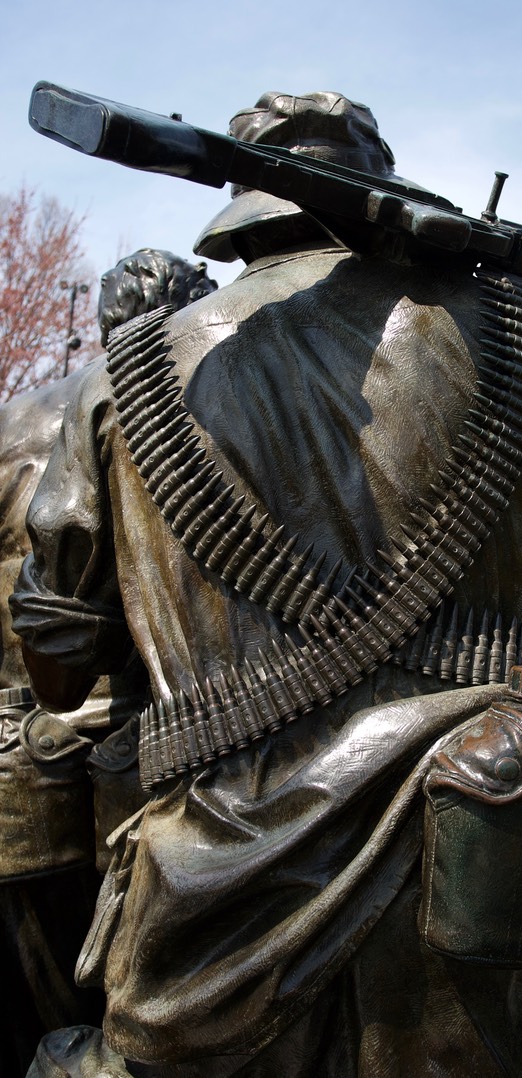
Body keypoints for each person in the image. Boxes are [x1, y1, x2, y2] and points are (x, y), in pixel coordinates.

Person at [10, 91, 522, 1077]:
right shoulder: (517, 339)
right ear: (377, 181)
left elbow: (55, 667)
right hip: (464, 886)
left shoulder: (121, 383)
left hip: (203, 918)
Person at [0, 249, 216, 1078]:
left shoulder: (16, 419)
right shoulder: (164, 428)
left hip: (18, 768)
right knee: (129, 1025)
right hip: (138, 778)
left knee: (32, 1011)